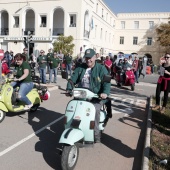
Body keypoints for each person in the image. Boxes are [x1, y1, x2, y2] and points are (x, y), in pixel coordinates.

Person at [66, 48, 112, 143]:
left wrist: (105, 93)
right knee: (73, 108)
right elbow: (72, 79)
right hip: (81, 95)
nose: (88, 60)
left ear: (95, 57)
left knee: (95, 110)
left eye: (90, 58)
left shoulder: (101, 68)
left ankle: (96, 135)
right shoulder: (80, 67)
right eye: (86, 58)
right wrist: (69, 88)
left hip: (96, 96)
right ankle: (70, 128)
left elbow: (107, 83)